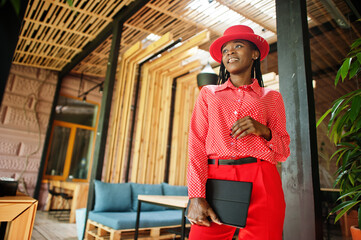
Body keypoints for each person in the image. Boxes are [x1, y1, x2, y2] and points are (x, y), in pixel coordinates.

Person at [186, 25, 290, 240]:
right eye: (225, 50)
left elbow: (283, 152)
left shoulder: (272, 97)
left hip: (262, 179)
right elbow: (196, 145)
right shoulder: (209, 94)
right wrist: (196, 196)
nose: (230, 52)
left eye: (238, 46)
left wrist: (264, 131)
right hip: (215, 180)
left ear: (254, 54)